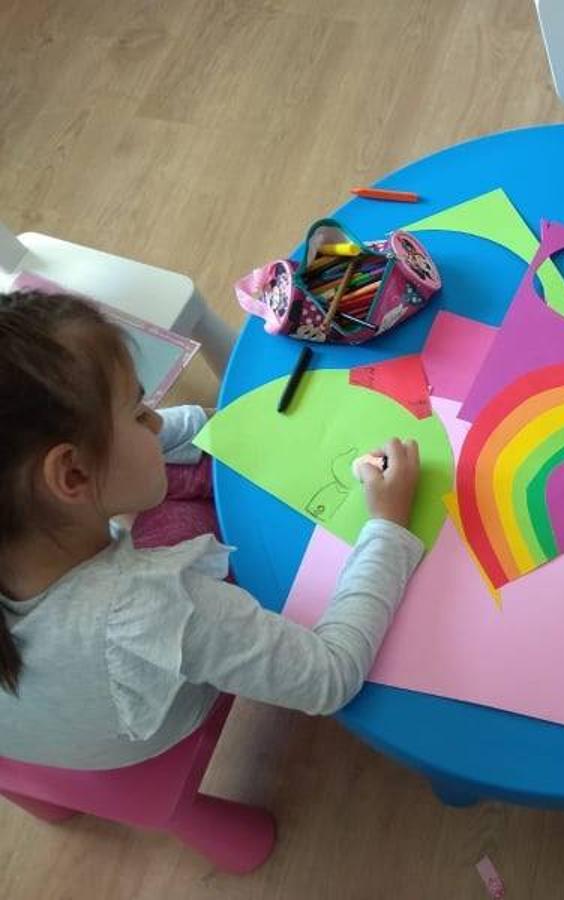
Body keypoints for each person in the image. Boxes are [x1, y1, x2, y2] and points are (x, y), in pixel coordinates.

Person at [0, 291, 424, 769]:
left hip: (48, 715)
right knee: (229, 522)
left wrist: (217, 426)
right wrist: (387, 525)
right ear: (72, 475)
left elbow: (160, 442)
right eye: (140, 413)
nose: (157, 419)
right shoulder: (153, 608)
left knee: (184, 466)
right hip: (144, 730)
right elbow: (332, 675)